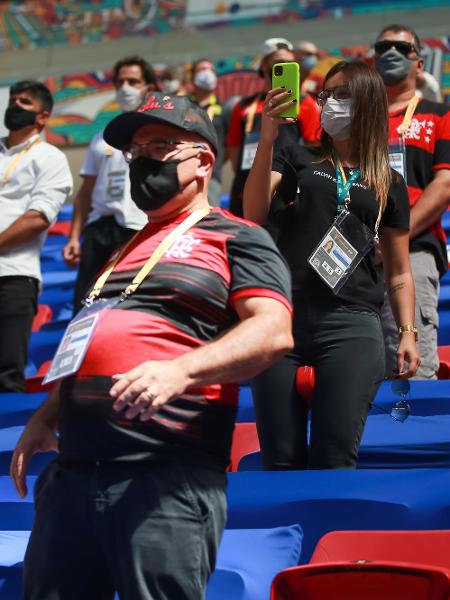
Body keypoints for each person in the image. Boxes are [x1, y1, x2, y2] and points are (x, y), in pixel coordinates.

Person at [11, 92, 293, 599]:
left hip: (164, 476)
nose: (141, 160)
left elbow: (272, 331)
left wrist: (180, 371)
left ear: (203, 160)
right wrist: (46, 416)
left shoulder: (237, 236)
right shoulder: (124, 249)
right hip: (74, 476)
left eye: (159, 145)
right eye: (134, 152)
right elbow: (93, 340)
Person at [243, 61, 420, 470]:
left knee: (335, 455)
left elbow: (398, 269)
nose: (329, 103)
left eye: (343, 95)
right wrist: (267, 138)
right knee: (280, 458)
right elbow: (252, 214)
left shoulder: (388, 182)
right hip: (281, 318)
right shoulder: (295, 157)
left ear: (369, 104)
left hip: (352, 322)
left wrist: (407, 332)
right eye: (326, 95)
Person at [374, 24, 450, 379]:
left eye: (402, 48)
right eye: (383, 47)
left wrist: (397, 236)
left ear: (419, 63)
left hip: (414, 248)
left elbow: (445, 183)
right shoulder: (356, 120)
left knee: (410, 370)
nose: (391, 53)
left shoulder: (440, 114)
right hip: (356, 255)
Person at [63, 56, 157, 312]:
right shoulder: (101, 137)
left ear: (149, 86)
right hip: (99, 229)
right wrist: (74, 236)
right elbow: (86, 192)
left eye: (133, 81)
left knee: (131, 304)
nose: (125, 87)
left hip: (140, 227)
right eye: (120, 82)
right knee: (86, 302)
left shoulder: (161, 133)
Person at [0, 80, 73, 392]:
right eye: (13, 99)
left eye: (25, 102)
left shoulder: (50, 157)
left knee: (4, 375)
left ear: (43, 117)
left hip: (13, 277)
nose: (15, 105)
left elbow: (39, 217)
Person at [226, 37, 321, 217]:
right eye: (278, 63)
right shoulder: (243, 106)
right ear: (264, 66)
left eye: (289, 63)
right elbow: (234, 147)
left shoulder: (306, 104)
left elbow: (314, 149)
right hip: (244, 189)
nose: (284, 67)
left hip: (285, 191)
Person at [190, 58, 225, 207]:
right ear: (192, 77)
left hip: (212, 175)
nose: (207, 74)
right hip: (184, 171)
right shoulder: (184, 106)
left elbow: (230, 144)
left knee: (209, 217)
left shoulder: (223, 108)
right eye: (202, 70)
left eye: (210, 70)